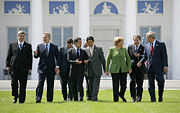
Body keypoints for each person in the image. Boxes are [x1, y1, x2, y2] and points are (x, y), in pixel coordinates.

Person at [137, 31, 168, 102]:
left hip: (159, 67)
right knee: (150, 85)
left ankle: (160, 97)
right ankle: (153, 99)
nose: (146, 38)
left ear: (151, 38)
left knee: (160, 82)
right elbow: (145, 56)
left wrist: (165, 65)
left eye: (147, 37)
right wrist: (141, 62)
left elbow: (164, 56)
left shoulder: (161, 44)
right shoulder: (146, 46)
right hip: (150, 68)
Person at [6, 31, 32, 103]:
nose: (22, 37)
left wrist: (30, 68)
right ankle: (15, 95)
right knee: (13, 83)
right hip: (14, 67)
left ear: (25, 37)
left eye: (23, 36)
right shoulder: (12, 45)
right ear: (18, 36)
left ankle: (22, 100)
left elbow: (30, 58)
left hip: (24, 68)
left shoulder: (28, 46)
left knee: (23, 84)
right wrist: (7, 65)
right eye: (20, 36)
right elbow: (9, 56)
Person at [34, 32, 60, 103]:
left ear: (49, 38)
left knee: (50, 85)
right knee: (40, 84)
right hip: (41, 69)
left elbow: (58, 57)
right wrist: (35, 54)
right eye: (43, 37)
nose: (44, 39)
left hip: (51, 69)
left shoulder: (54, 47)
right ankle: (38, 98)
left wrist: (57, 66)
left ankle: (49, 99)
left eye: (45, 37)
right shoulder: (39, 46)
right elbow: (37, 56)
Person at [105, 37, 132, 102]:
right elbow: (108, 60)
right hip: (114, 70)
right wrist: (106, 69)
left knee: (124, 85)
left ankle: (121, 94)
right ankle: (116, 99)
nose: (123, 43)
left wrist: (129, 67)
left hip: (123, 70)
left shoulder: (124, 49)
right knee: (115, 85)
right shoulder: (111, 49)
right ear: (117, 42)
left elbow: (128, 59)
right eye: (122, 42)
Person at [85, 36, 105, 101]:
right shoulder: (86, 50)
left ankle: (94, 97)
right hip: (89, 70)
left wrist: (105, 69)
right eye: (88, 42)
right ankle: (91, 96)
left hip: (97, 70)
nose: (90, 43)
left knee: (96, 85)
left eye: (91, 42)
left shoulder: (99, 49)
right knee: (90, 85)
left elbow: (103, 60)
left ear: (93, 42)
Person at [128, 35, 145, 102]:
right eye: (134, 40)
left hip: (140, 68)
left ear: (140, 40)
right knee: (132, 81)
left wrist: (139, 56)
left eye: (137, 40)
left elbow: (145, 56)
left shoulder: (143, 47)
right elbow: (128, 57)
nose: (136, 42)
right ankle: (133, 97)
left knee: (140, 83)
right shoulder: (130, 47)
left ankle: (139, 97)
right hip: (132, 68)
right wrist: (129, 67)